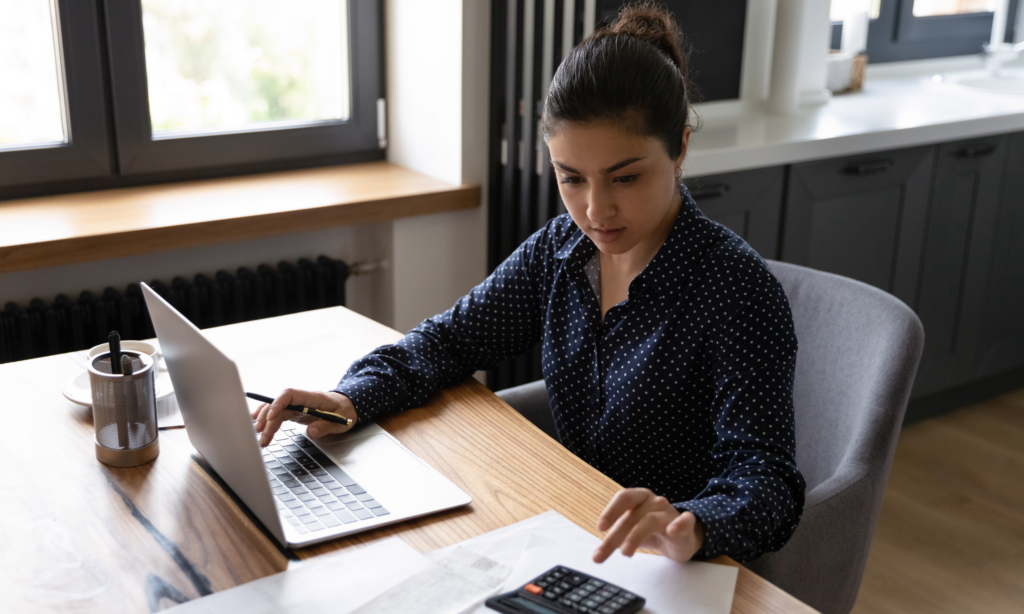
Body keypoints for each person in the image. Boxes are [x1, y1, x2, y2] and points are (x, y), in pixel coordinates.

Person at [253, 1, 804, 565]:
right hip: (568, 530)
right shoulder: (561, 250)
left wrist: (692, 524)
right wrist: (346, 398)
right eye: (571, 178)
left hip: (680, 568)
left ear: (680, 147)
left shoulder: (734, 288)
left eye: (626, 177)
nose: (596, 211)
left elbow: (768, 480)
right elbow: (449, 341)